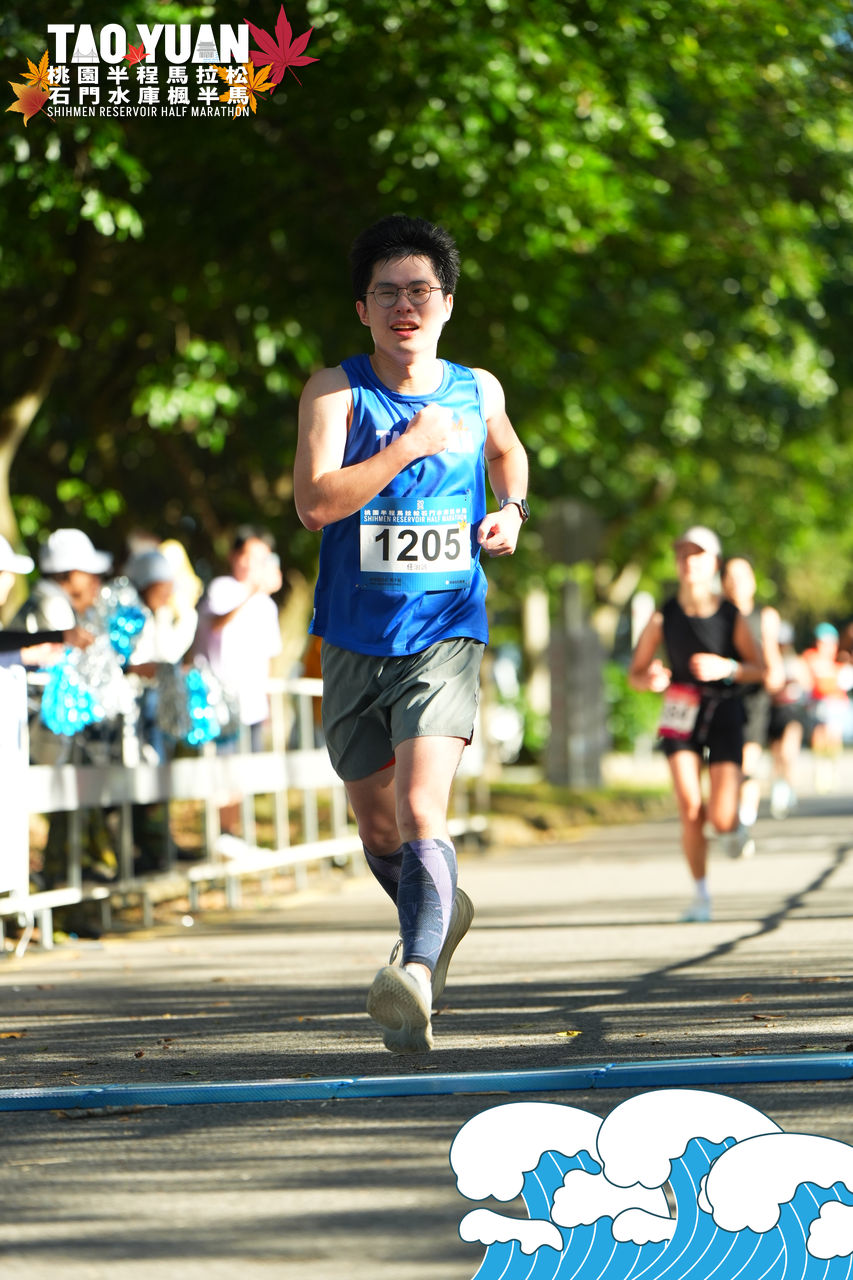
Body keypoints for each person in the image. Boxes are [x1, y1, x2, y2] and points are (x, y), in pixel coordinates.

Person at [294, 213, 528, 1053]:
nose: (405, 306)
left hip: (445, 628)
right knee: (378, 830)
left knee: (421, 808)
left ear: (446, 303)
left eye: (420, 291)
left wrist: (511, 509)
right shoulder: (335, 392)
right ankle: (437, 914)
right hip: (353, 637)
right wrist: (408, 445)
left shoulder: (478, 388)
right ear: (362, 309)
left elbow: (506, 453)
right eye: (386, 293)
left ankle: (417, 973)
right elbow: (314, 504)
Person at [629, 526, 765, 922]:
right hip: (680, 712)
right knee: (690, 808)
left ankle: (733, 825)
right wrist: (651, 679)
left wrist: (728, 667)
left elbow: (759, 670)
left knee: (720, 819)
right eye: (683, 554)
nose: (689, 561)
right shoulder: (664, 614)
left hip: (724, 712)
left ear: (714, 563)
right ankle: (701, 897)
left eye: (698, 554)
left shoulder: (731, 615)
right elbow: (636, 674)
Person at [192, 526, 283, 836]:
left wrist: (267, 702)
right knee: (223, 772)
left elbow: (269, 656)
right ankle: (221, 833)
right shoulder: (222, 588)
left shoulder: (268, 606)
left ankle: (230, 833)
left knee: (243, 774)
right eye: (249, 556)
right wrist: (254, 591)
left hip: (252, 704)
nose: (254, 564)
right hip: (221, 702)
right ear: (234, 556)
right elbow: (217, 623)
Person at [721, 557, 785, 846]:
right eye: (730, 576)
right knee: (724, 767)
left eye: (742, 576)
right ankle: (729, 816)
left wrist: (773, 676)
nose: (736, 582)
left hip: (752, 701)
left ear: (753, 582)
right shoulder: (715, 614)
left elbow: (773, 660)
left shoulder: (765, 616)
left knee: (746, 764)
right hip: (720, 698)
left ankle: (743, 823)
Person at [0, 534, 92, 666]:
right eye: (6, 572)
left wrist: (60, 637)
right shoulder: (52, 603)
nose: (11, 579)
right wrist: (26, 656)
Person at [801, 623, 853, 793]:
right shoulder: (811, 657)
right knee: (819, 734)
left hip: (836, 702)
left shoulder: (840, 658)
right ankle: (821, 768)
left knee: (834, 734)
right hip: (818, 702)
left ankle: (831, 767)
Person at [767, 621, 809, 818]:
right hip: (773, 712)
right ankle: (780, 791)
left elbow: (807, 685)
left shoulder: (796, 662)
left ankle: (788, 791)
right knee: (777, 756)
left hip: (792, 712)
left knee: (788, 753)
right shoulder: (769, 660)